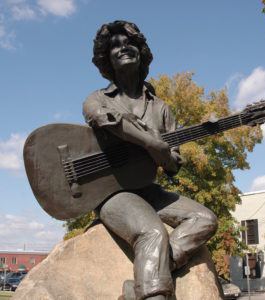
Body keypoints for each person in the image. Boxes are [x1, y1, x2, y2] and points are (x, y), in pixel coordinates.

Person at [83, 20, 218, 300]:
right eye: (115, 46)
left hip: (149, 190)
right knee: (153, 233)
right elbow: (102, 119)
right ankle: (154, 292)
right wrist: (150, 142)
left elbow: (173, 166)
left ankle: (147, 278)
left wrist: (166, 157)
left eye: (129, 43)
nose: (123, 48)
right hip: (113, 192)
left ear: (141, 51)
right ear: (106, 59)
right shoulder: (99, 98)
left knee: (205, 219)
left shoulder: (161, 109)